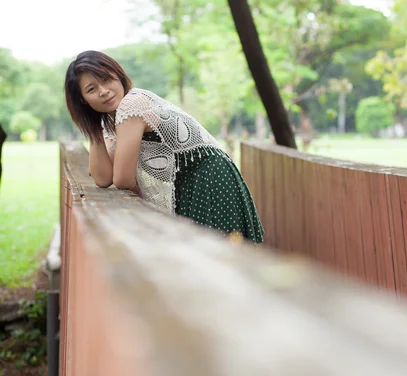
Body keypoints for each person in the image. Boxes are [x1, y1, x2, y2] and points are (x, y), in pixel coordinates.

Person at [64, 50, 264, 244]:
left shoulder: (132, 104)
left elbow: (122, 179)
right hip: (188, 185)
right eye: (91, 89)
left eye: (107, 79)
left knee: (217, 263)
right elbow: (103, 178)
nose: (103, 91)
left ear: (118, 75)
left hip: (209, 179)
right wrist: (93, 129)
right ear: (82, 99)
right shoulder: (111, 120)